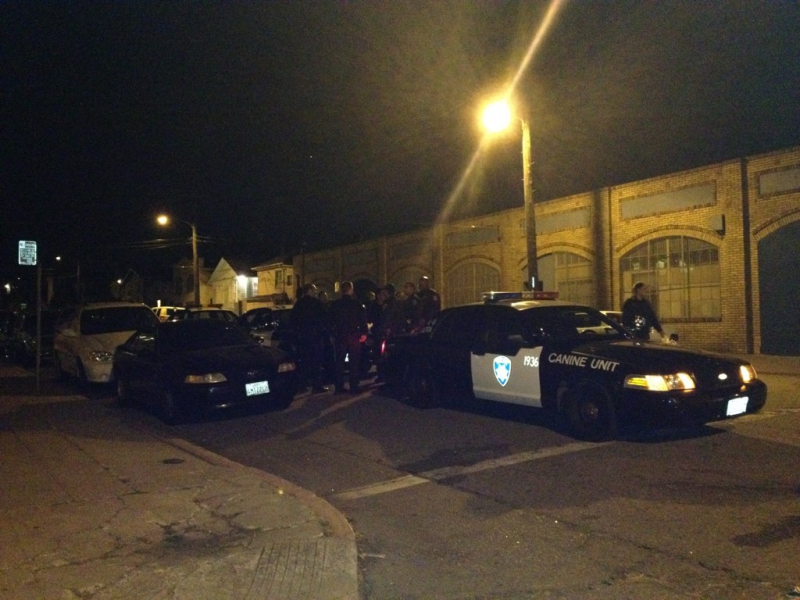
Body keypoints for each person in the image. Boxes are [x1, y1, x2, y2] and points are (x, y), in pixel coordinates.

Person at [330, 280, 368, 394]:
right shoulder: (356, 303)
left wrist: (332, 334)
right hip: (353, 335)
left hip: (340, 335)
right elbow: (362, 319)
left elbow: (330, 321)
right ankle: (354, 386)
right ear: (350, 289)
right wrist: (364, 333)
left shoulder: (335, 304)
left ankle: (339, 386)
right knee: (354, 362)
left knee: (339, 362)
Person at [290, 283, 329, 393]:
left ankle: (302, 385)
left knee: (304, 362)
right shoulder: (317, 303)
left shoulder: (299, 304)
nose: (316, 292)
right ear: (310, 290)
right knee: (317, 362)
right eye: (314, 289)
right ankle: (317, 386)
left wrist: (297, 335)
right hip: (316, 337)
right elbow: (324, 319)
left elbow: (293, 321)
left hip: (303, 338)